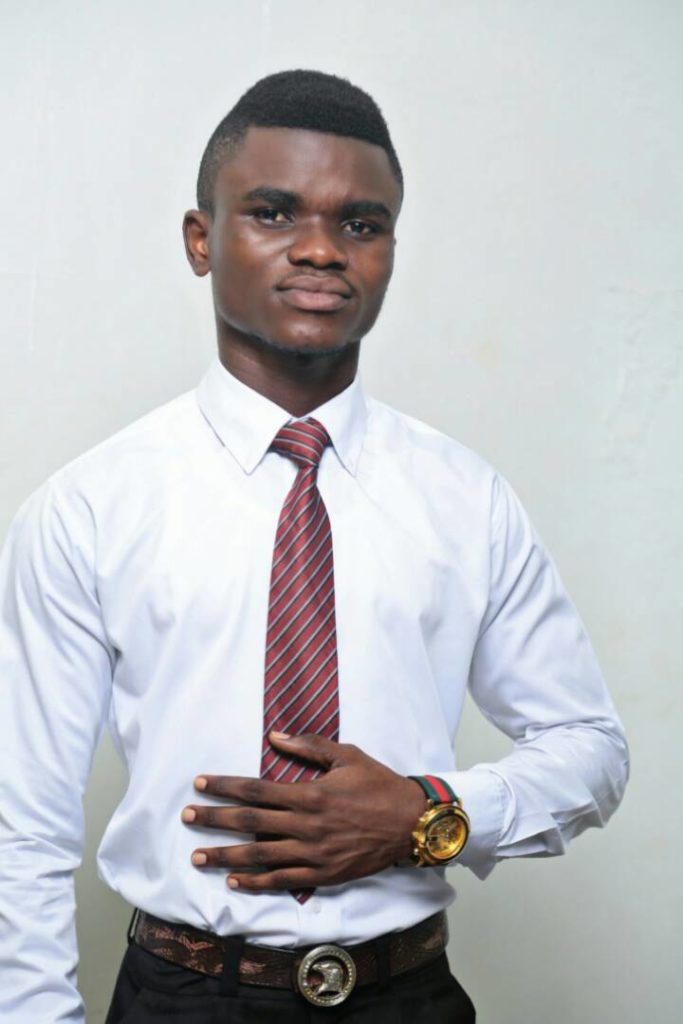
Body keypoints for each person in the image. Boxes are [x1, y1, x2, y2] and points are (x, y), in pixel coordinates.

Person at [0, 70, 628, 1023]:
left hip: (407, 995)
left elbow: (590, 749)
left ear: (389, 251)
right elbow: (21, 824)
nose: (321, 249)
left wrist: (427, 815)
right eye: (272, 212)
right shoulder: (91, 507)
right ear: (201, 239)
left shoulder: (466, 499)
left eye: (360, 223)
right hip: (182, 999)